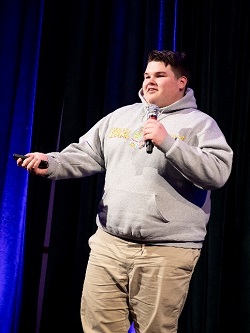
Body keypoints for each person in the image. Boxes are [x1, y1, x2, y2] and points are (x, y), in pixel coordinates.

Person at [16, 50, 233, 333]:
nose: (149, 81)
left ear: (181, 82)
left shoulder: (201, 124)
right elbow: (87, 153)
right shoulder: (122, 117)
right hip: (109, 245)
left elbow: (217, 173)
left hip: (165, 252)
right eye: (147, 75)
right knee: (98, 327)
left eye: (159, 75)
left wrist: (168, 142)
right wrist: (51, 162)